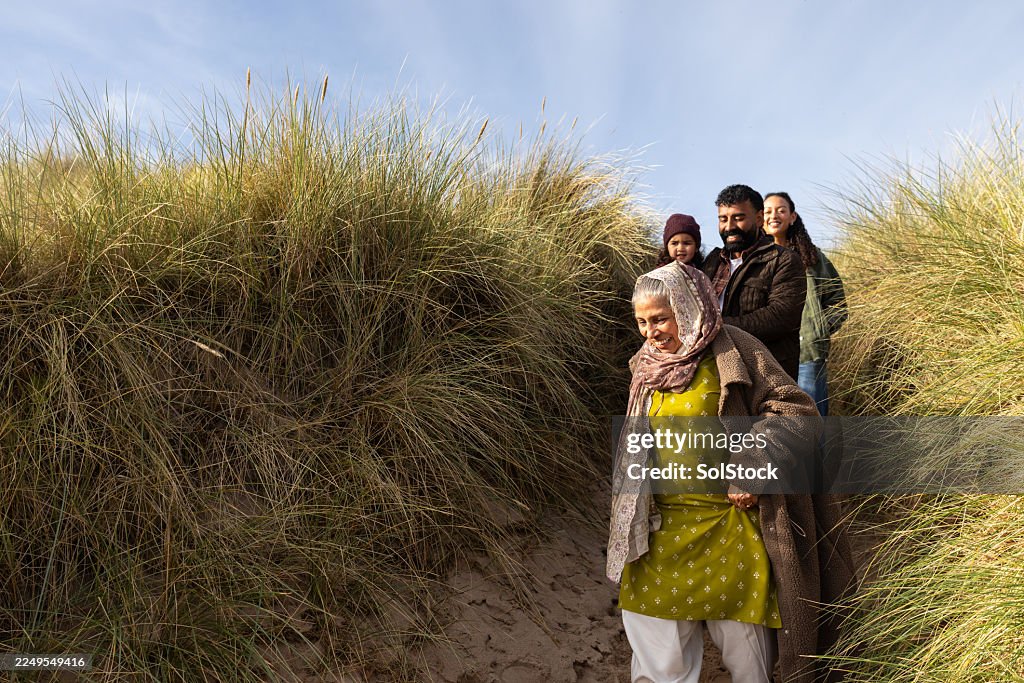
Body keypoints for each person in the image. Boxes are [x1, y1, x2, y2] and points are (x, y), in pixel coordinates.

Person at [607, 262, 854, 683]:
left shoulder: (733, 349)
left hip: (730, 529)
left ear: (687, 309)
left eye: (661, 319)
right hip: (658, 536)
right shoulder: (644, 368)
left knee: (749, 665)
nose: (651, 332)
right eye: (643, 322)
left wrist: (753, 469)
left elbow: (796, 410)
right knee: (658, 667)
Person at [701, 185, 805, 380]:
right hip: (713, 369)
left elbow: (781, 317)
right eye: (723, 219)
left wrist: (716, 327)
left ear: (759, 219)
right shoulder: (712, 261)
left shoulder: (784, 260)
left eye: (738, 218)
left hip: (764, 375)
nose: (729, 226)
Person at [763, 192, 848, 417]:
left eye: (781, 210)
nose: (774, 215)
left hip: (807, 354)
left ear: (792, 216)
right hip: (768, 356)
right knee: (776, 424)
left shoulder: (811, 257)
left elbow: (837, 301)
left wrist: (819, 330)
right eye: (768, 211)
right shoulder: (754, 259)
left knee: (812, 421)